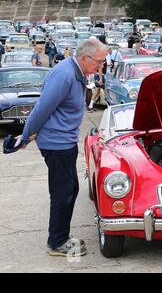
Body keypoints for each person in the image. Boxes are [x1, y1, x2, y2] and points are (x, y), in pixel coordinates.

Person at [18, 38, 108, 257]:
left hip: (64, 141)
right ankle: (56, 242)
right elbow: (42, 108)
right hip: (56, 143)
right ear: (85, 58)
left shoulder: (77, 72)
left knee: (71, 189)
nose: (100, 67)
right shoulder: (65, 74)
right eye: (98, 62)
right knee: (63, 192)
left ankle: (61, 236)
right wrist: (25, 136)